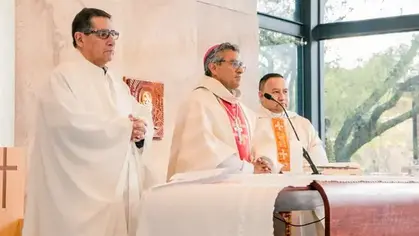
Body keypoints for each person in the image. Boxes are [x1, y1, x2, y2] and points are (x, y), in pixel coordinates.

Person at [22, 8, 154, 236]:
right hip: (76, 201)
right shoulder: (62, 79)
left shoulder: (116, 83)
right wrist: (124, 129)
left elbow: (140, 118)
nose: (112, 41)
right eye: (103, 34)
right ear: (79, 38)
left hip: (118, 196)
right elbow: (68, 126)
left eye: (114, 34)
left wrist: (141, 132)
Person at [166, 42, 270, 181]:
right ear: (214, 67)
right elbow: (206, 153)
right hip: (209, 191)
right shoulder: (198, 102)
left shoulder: (243, 110)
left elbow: (256, 145)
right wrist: (249, 169)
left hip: (242, 185)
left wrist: (262, 161)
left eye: (240, 65)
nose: (240, 70)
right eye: (233, 64)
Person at [252, 73, 328, 174]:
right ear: (261, 96)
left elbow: (320, 160)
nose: (282, 97)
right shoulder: (250, 121)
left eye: (285, 92)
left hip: (302, 184)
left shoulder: (302, 124)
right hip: (265, 185)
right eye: (276, 92)